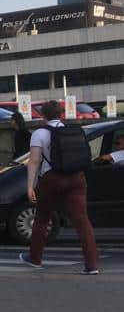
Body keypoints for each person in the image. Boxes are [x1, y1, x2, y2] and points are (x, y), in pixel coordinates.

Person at [20, 100, 99, 275]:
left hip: (52, 179)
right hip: (77, 178)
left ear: (43, 115)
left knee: (42, 218)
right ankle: (92, 265)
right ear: (61, 114)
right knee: (82, 221)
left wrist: (30, 186)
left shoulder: (39, 133)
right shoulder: (72, 130)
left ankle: (35, 258)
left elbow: (34, 161)